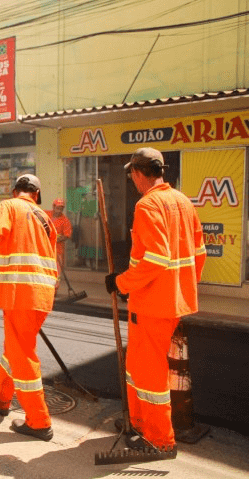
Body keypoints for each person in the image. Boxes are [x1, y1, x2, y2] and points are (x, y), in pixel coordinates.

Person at [105, 147, 205, 451]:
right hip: (170, 301)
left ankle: (160, 439)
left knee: (149, 374)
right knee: (135, 365)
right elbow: (199, 253)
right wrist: (182, 287)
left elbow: (155, 259)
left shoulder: (148, 205)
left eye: (131, 174)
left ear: (137, 173)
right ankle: (138, 421)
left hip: (153, 304)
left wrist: (121, 283)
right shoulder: (182, 202)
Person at [0, 174, 57, 441]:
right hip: (42, 294)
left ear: (15, 191)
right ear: (37, 195)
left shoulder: (9, 206)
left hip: (20, 293)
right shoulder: (45, 219)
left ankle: (39, 420)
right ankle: (1, 397)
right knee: (15, 346)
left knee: (21, 353)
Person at [46, 198, 72, 293]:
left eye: (61, 208)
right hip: (46, 249)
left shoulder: (65, 221)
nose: (59, 210)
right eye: (57, 208)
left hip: (58, 250)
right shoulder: (46, 215)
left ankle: (55, 289)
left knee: (57, 271)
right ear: (53, 207)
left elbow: (67, 235)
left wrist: (55, 239)